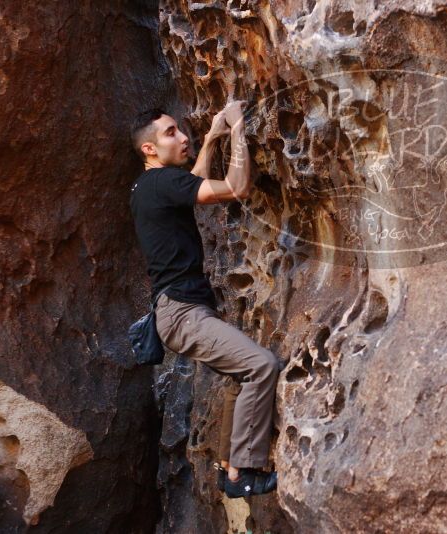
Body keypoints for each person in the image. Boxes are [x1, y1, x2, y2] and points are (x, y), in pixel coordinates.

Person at [128, 102, 279, 498]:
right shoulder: (159, 184)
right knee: (260, 366)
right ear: (149, 149)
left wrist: (213, 137)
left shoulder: (150, 188)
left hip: (178, 313)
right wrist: (239, 130)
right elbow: (236, 188)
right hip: (182, 315)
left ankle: (230, 467)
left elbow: (192, 183)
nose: (182, 138)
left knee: (238, 376)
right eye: (170, 133)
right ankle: (245, 473)